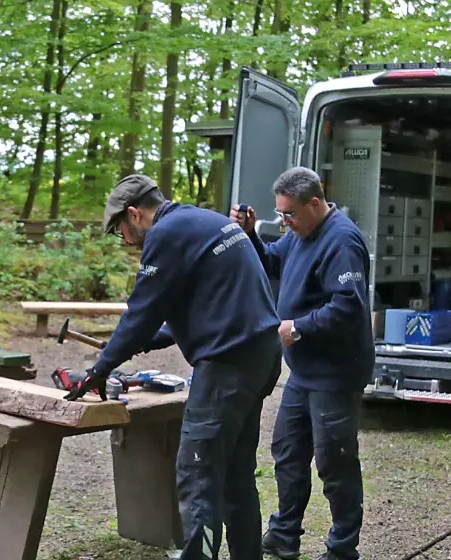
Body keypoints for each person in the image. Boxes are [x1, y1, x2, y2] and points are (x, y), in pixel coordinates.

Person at [64, 174, 283, 560]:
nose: (127, 242)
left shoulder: (164, 235)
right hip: (261, 356)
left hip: (228, 366)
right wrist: (145, 342)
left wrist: (100, 369)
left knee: (197, 474)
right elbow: (194, 304)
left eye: (122, 232)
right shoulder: (206, 222)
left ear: (134, 214)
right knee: (234, 474)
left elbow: (141, 314)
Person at [230, 167, 373, 560]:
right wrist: (250, 234)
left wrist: (300, 328)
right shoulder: (299, 234)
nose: (286, 223)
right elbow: (271, 263)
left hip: (335, 374)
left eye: (290, 214)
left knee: (335, 463)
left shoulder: (341, 240)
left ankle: (343, 549)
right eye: (281, 215)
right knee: (288, 453)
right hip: (304, 373)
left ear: (315, 203)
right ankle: (284, 535)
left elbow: (348, 306)